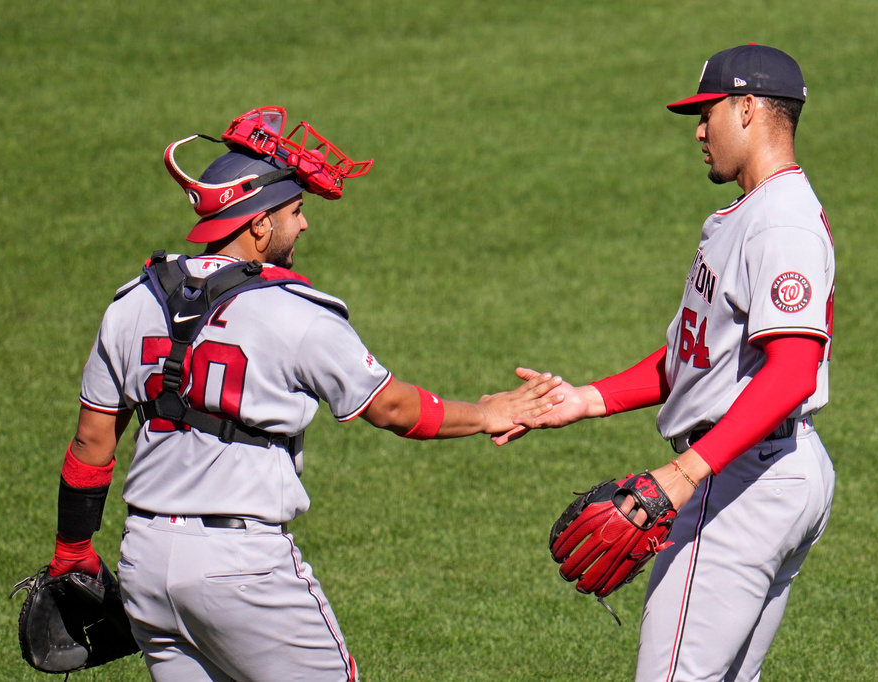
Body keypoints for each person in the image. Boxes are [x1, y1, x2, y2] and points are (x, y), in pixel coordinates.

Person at [45, 107, 562, 682]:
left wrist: (72, 552)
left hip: (144, 561)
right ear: (259, 224)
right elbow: (392, 408)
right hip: (241, 567)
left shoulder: (131, 303)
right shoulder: (292, 313)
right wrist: (487, 413)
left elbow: (92, 444)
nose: (305, 226)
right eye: (296, 212)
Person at [500, 45, 836, 681]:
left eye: (708, 113)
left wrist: (685, 473)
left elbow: (792, 370)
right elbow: (702, 351)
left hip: (741, 479)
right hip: (770, 466)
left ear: (748, 108)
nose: (699, 130)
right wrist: (588, 399)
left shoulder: (779, 223)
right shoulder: (759, 213)